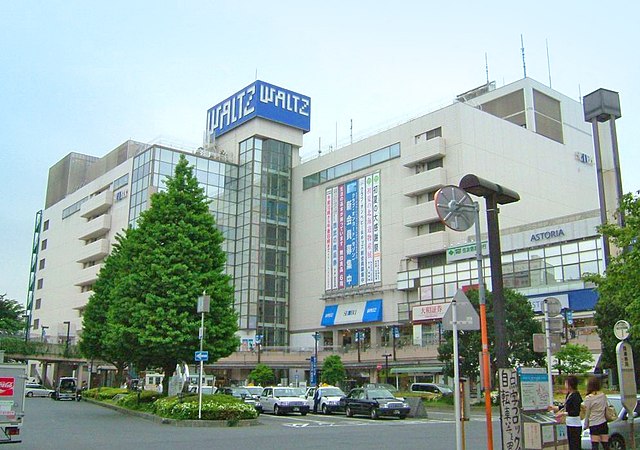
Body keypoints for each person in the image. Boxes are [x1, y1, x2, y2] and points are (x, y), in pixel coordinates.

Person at [549, 375, 583, 450]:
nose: (565, 385)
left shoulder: (576, 396)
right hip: (569, 423)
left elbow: (575, 411)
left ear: (570, 384)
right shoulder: (569, 394)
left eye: (566, 383)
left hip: (575, 424)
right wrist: (555, 408)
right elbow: (565, 407)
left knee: (575, 445)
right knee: (570, 444)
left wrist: (563, 413)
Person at [582, 376, 610, 450]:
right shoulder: (603, 395)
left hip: (594, 424)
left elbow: (587, 413)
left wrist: (585, 425)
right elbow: (606, 408)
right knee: (606, 444)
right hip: (603, 423)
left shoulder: (588, 398)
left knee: (595, 445)